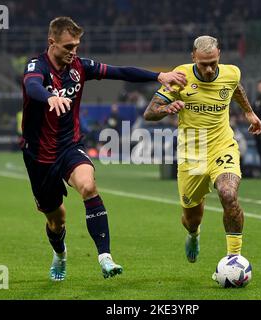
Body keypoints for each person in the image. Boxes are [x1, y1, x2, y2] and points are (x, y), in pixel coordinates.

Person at [21, 16, 186, 281]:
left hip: (69, 145)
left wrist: (159, 75)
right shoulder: (36, 66)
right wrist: (50, 96)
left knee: (88, 186)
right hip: (39, 154)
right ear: (52, 43)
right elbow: (32, 86)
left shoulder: (79, 67)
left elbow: (121, 71)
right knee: (57, 219)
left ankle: (105, 257)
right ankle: (61, 254)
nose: (73, 51)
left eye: (76, 45)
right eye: (67, 46)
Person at [143, 36, 261, 279]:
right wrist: (167, 109)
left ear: (219, 54)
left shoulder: (231, 73)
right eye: (203, 64)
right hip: (192, 154)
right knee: (191, 219)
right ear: (193, 58)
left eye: (213, 63)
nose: (209, 70)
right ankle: (194, 235)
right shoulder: (180, 76)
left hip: (223, 145)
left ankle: (234, 259)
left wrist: (249, 113)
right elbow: (149, 112)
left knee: (228, 194)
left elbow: (235, 88)